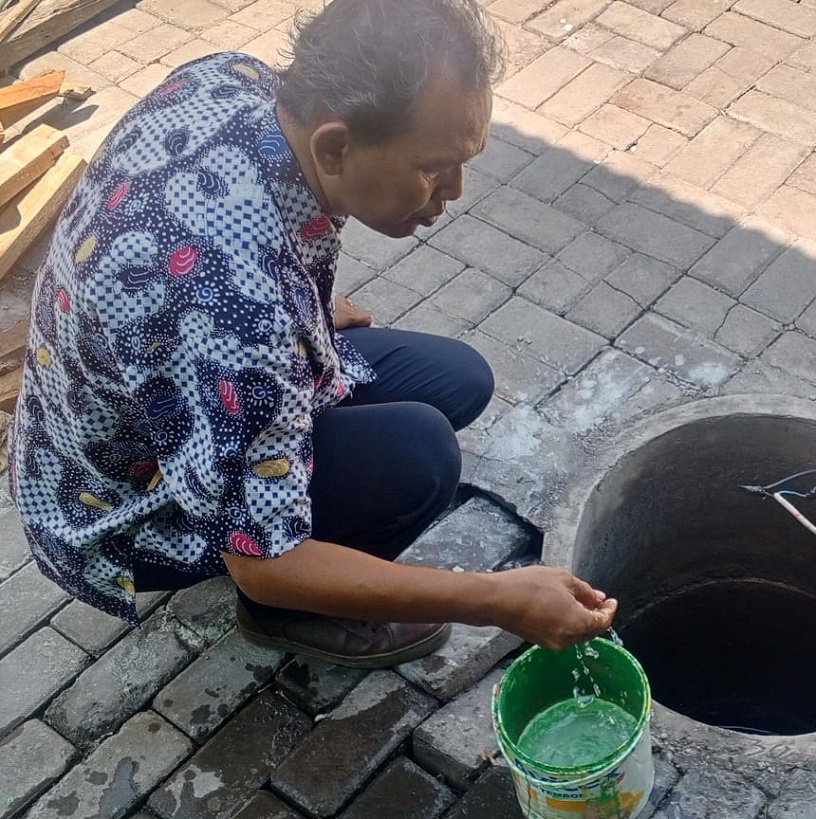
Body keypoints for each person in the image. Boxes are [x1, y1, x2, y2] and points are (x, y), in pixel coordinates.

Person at [9, 0, 617, 668]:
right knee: (422, 458)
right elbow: (266, 562)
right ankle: (289, 618)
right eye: (433, 165)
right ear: (336, 146)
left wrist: (303, 301)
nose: (454, 190)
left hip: (169, 386)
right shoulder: (238, 312)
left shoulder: (239, 82)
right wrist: (495, 598)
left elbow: (225, 277)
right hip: (118, 506)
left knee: (459, 379)